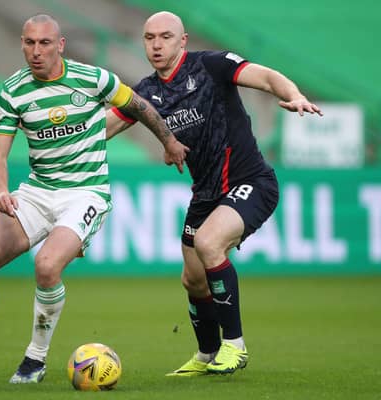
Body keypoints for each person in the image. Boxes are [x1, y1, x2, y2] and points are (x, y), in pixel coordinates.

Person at [0, 14, 188, 384]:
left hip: (85, 192)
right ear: (22, 44)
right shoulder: (14, 90)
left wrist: (169, 143)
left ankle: (35, 360)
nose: (36, 51)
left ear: (60, 45)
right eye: (29, 43)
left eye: (44, 43)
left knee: (46, 266)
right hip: (37, 192)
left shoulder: (93, 79)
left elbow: (138, 105)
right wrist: (0, 191)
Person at [106, 11, 322, 376]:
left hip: (251, 181)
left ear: (183, 41)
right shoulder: (146, 93)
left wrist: (294, 94)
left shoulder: (212, 65)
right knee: (192, 278)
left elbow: (266, 77)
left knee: (208, 243)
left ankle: (234, 346)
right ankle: (206, 354)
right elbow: (107, 127)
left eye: (165, 37)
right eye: (149, 38)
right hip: (206, 194)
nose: (157, 45)